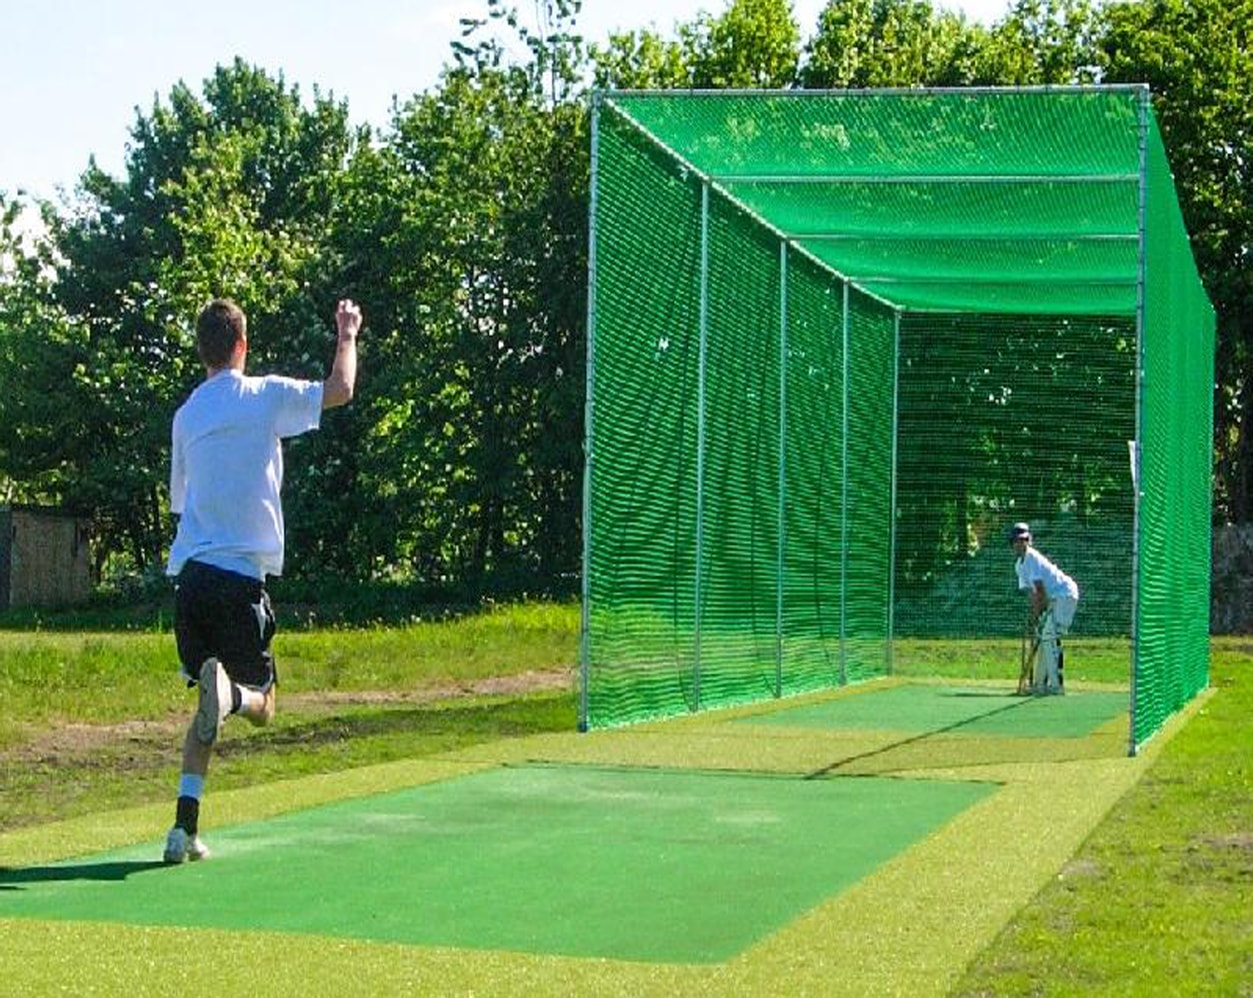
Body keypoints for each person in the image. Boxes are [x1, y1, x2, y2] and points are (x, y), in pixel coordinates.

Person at [162, 297, 362, 863]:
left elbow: (183, 501)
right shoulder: (264, 395)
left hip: (191, 583)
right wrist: (346, 331)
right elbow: (340, 388)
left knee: (204, 704)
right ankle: (229, 695)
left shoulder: (186, 416)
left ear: (201, 350)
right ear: (242, 346)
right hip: (237, 581)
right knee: (263, 702)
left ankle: (183, 828)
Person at [1007, 522, 1078, 696]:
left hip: (1065, 595)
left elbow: (1040, 590)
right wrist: (1034, 618)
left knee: (1049, 637)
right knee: (1045, 638)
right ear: (1012, 543)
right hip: (1052, 598)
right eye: (1017, 541)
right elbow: (1031, 594)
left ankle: (1056, 685)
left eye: (1024, 540)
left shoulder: (1033, 558)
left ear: (1029, 541)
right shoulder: (1019, 566)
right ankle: (1040, 684)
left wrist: (1041, 613)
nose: (1021, 544)